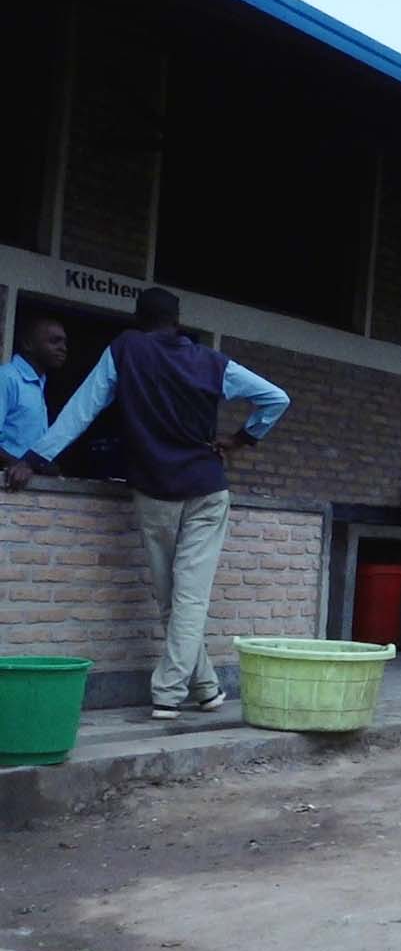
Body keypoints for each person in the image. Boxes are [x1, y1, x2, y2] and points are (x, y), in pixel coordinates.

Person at [6, 287, 290, 719]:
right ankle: (207, 687)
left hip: (154, 490)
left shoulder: (126, 349)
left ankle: (168, 691)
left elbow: (82, 409)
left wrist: (34, 457)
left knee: (170, 598)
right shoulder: (209, 360)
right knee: (186, 598)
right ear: (178, 321)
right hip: (207, 489)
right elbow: (276, 398)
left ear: (138, 319)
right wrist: (242, 439)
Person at [1, 317, 68, 466]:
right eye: (54, 341)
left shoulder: (40, 383)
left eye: (64, 342)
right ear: (28, 344)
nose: (63, 348)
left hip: (25, 485)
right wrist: (18, 465)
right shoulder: (7, 378)